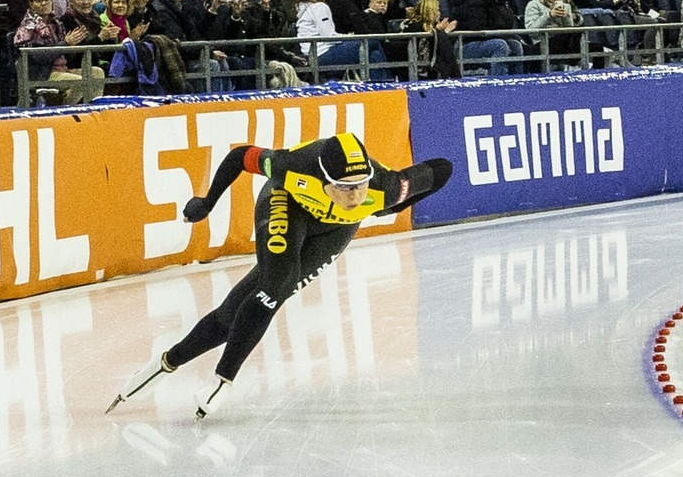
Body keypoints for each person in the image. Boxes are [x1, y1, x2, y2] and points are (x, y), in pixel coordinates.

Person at [107, 133, 451, 419]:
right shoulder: (292, 167)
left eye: (360, 186)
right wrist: (207, 202)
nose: (355, 195)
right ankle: (223, 378)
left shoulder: (387, 186)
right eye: (345, 188)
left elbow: (442, 169)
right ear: (324, 179)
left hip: (335, 229)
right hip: (286, 205)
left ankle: (167, 362)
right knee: (274, 288)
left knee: (235, 314)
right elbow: (241, 156)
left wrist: (395, 206)